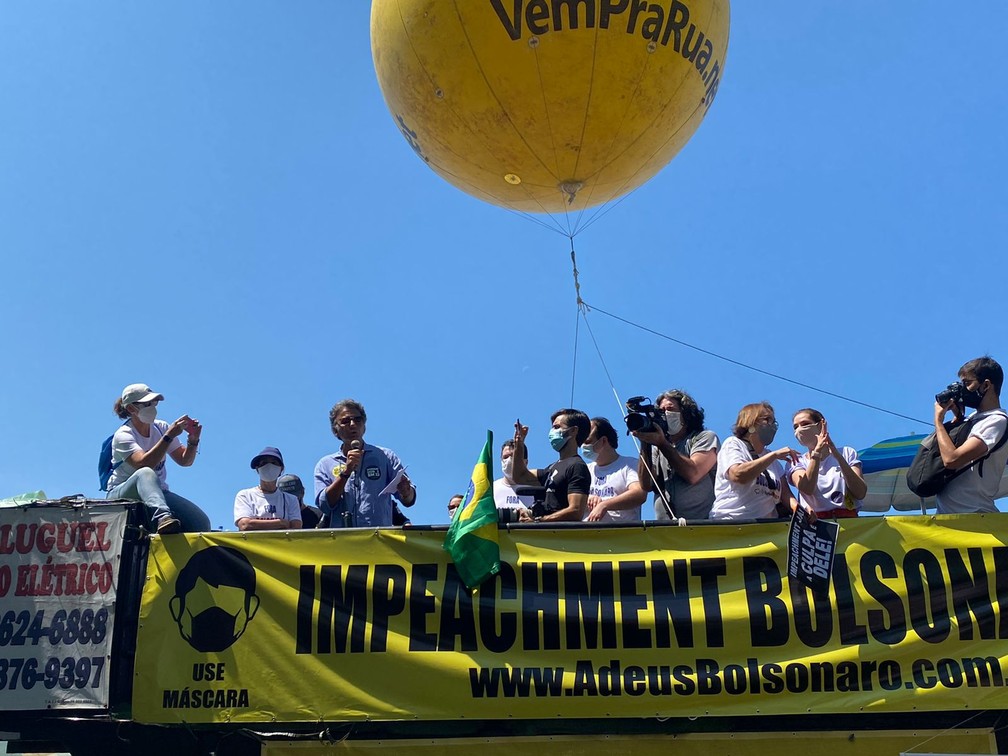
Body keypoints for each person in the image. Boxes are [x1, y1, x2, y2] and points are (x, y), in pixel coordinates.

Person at [105, 383, 210, 534]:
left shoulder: (160, 427)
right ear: (131, 409)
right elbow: (142, 464)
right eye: (146, 404)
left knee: (200, 523)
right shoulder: (123, 435)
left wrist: (193, 441)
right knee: (146, 473)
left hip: (157, 492)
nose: (152, 407)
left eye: (154, 403)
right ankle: (162, 517)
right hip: (122, 493)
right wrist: (169, 436)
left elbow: (184, 461)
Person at [314, 399, 416, 527]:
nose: (352, 424)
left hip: (378, 540)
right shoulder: (325, 464)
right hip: (342, 542)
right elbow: (324, 505)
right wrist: (346, 472)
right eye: (345, 421)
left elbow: (409, 500)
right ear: (335, 430)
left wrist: (406, 492)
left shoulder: (385, 456)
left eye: (358, 420)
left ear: (364, 425)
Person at [933, 356, 1008, 514]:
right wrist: (958, 421)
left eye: (967, 383)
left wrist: (938, 421)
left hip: (976, 518)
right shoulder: (973, 419)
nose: (963, 389)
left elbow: (952, 459)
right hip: (954, 519)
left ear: (986, 385)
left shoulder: (996, 421)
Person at [634, 389, 719, 520]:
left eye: (670, 409)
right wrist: (645, 442)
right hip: (666, 529)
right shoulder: (658, 447)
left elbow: (693, 473)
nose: (665, 414)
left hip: (701, 526)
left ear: (685, 414)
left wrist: (662, 444)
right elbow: (647, 484)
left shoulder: (704, 438)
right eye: (661, 411)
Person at [709, 402, 798, 521]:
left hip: (764, 528)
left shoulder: (773, 461)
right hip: (731, 523)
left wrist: (799, 510)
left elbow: (786, 495)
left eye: (774, 421)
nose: (772, 425)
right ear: (751, 421)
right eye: (767, 419)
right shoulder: (733, 444)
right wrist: (773, 456)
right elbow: (738, 475)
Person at [510, 408, 591, 523]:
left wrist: (540, 521)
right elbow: (520, 476)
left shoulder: (577, 466)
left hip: (560, 537)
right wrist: (519, 442)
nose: (552, 432)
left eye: (557, 427)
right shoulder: (552, 468)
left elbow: (576, 511)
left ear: (573, 431)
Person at [788, 409, 866, 520]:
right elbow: (807, 488)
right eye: (796, 427)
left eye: (805, 424)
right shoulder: (796, 461)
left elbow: (860, 492)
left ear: (821, 425)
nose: (799, 429)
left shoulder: (847, 452)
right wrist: (816, 454)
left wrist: (838, 456)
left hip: (848, 521)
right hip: (816, 524)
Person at [582, 417, 647, 522]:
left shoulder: (630, 465)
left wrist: (604, 505)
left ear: (603, 441)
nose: (583, 446)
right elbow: (567, 499)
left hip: (621, 535)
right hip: (587, 535)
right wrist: (585, 499)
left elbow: (639, 493)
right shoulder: (584, 470)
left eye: (588, 441)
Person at [234, 447, 303, 531]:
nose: (269, 466)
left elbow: (296, 527)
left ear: (281, 469)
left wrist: (256, 524)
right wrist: (281, 523)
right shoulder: (245, 495)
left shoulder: (291, 499)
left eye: (274, 462)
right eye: (264, 463)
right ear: (257, 469)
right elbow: (244, 525)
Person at [493, 440, 534, 515]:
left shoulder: (536, 489)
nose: (509, 460)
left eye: (513, 457)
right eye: (505, 457)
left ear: (525, 462)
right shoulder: (491, 489)